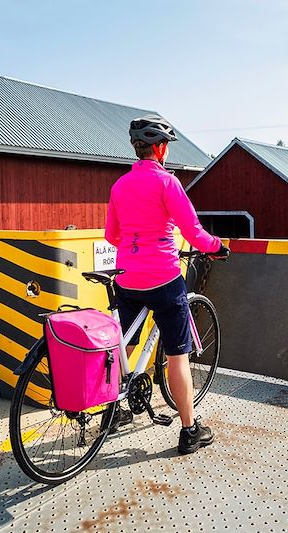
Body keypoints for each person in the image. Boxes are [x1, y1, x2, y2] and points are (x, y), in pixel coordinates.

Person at [104, 114, 229, 455]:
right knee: (178, 357)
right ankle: (190, 430)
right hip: (163, 277)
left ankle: (112, 411)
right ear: (159, 149)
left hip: (127, 277)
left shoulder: (119, 186)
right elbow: (193, 233)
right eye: (166, 146)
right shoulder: (167, 183)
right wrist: (217, 246)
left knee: (125, 344)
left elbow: (111, 236)